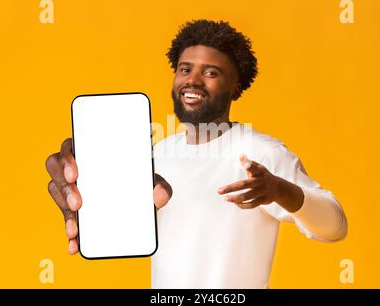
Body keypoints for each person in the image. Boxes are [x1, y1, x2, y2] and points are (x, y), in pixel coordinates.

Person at [46, 20, 347, 288]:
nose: (193, 80)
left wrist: (279, 190)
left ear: (235, 86)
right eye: (185, 69)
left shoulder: (260, 153)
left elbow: (334, 226)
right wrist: (87, 190)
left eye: (211, 72)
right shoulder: (156, 155)